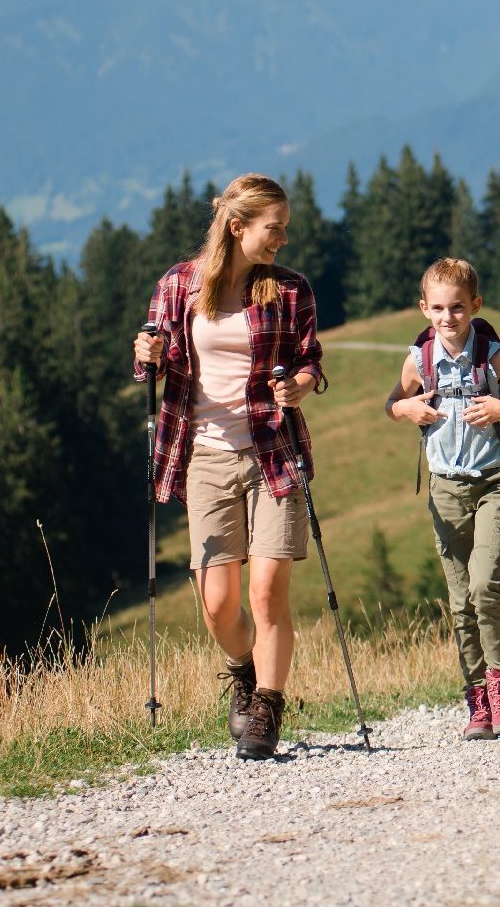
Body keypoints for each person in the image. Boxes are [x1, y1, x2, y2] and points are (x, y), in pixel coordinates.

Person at [133, 173, 326, 762]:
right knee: (217, 601)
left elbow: (310, 362)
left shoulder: (291, 291)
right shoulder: (179, 286)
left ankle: (267, 705)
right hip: (206, 456)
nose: (282, 241)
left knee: (268, 591)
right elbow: (153, 362)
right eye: (274, 229)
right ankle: (243, 671)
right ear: (238, 226)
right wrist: (146, 354)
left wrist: (299, 383)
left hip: (273, 450)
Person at [383, 258, 500, 740]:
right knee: (459, 600)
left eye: (457, 307)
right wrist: (407, 407)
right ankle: (477, 702)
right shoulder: (419, 358)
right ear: (423, 309)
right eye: (437, 308)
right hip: (445, 488)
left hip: (494, 481)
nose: (447, 317)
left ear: (475, 305)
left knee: (484, 587)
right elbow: (393, 404)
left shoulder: (496, 357)